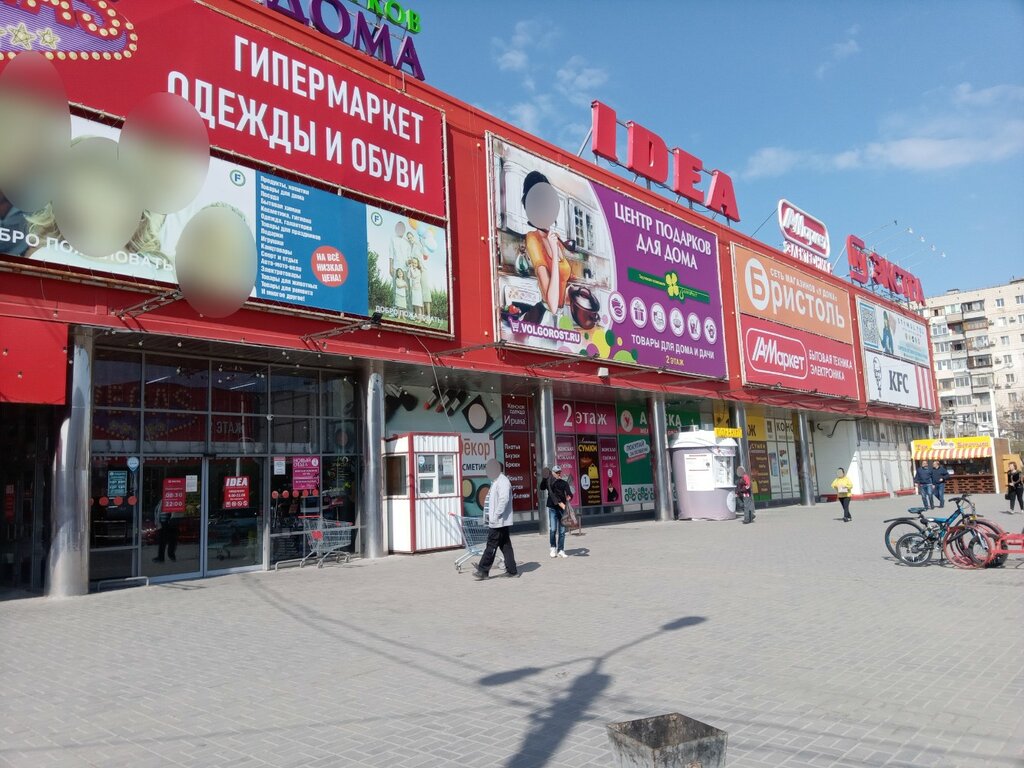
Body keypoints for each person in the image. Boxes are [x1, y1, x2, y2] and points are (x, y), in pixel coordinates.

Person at [473, 460, 518, 579]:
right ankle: (512, 571)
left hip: (498, 521)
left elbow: (504, 500)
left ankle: (483, 570)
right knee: (505, 546)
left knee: (491, 544)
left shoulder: (503, 481)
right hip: (497, 521)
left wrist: (495, 515)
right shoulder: (496, 481)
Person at [539, 464, 571, 558]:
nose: (559, 474)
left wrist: (569, 496)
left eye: (559, 472)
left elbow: (569, 493)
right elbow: (541, 487)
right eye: (557, 472)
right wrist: (544, 478)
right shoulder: (549, 482)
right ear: (553, 473)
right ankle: (553, 547)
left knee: (562, 531)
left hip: (562, 508)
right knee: (553, 529)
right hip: (553, 508)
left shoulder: (563, 483)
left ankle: (561, 550)